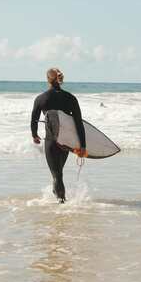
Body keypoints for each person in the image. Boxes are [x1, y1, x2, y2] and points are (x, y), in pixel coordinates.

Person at [30, 68, 87, 203]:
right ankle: (59, 198)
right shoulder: (70, 98)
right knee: (58, 173)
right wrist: (82, 145)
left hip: (51, 141)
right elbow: (79, 123)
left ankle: (62, 204)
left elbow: (34, 120)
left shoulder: (41, 98)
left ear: (48, 79)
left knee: (57, 175)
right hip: (65, 143)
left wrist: (34, 135)